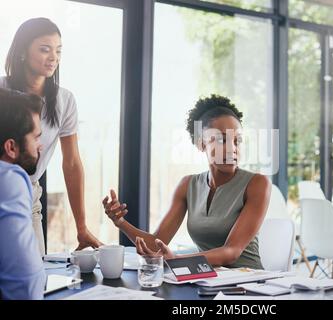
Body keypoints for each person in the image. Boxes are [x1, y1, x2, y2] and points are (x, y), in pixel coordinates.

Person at [103, 94, 271, 269]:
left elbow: (231, 252)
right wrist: (120, 222)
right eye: (222, 139)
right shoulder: (187, 185)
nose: (232, 148)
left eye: (238, 141)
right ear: (201, 144)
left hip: (249, 283)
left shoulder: (257, 184)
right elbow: (156, 244)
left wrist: (176, 260)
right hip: (207, 282)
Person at [1, 17, 102, 256]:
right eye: (45, 49)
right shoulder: (2, 91)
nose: (54, 57)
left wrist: (81, 227)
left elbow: (72, 163)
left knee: (35, 273)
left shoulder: (64, 101)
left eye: (58, 50)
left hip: (30, 194)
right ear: (23, 51)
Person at [0, 88, 46, 299]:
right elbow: (25, 283)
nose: (41, 146)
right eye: (36, 137)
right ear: (11, 147)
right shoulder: (9, 177)